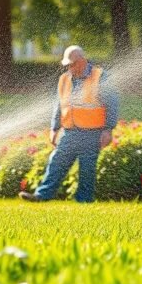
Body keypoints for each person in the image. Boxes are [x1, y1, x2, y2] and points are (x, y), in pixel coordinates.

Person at [20, 45, 119, 203]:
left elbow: (112, 104)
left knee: (87, 168)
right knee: (57, 162)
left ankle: (84, 201)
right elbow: (59, 105)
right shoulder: (64, 79)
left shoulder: (100, 77)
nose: (70, 68)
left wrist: (108, 129)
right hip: (70, 132)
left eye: (72, 64)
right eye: (67, 65)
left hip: (92, 132)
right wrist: (54, 128)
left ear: (82, 61)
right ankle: (41, 195)